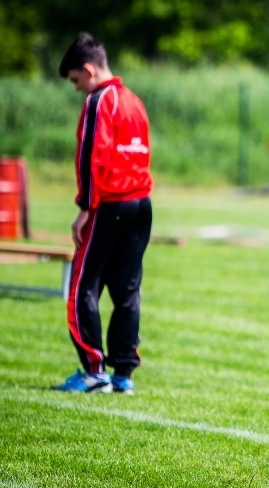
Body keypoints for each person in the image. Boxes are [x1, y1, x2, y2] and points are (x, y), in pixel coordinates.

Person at [53, 33, 153, 394]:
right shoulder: (134, 101)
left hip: (110, 203)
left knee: (83, 286)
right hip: (142, 204)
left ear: (89, 69)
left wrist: (84, 208)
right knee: (127, 289)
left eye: (77, 81)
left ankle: (94, 371)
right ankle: (123, 374)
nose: (79, 89)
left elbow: (91, 156)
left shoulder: (100, 101)